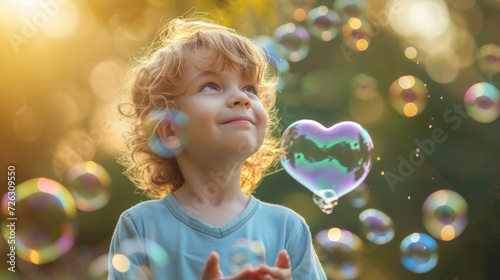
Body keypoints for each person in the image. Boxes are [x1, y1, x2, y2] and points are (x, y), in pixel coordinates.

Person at [108, 13, 327, 280]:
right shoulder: (141, 226)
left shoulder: (287, 228)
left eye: (250, 88)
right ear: (169, 130)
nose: (240, 98)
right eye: (210, 85)